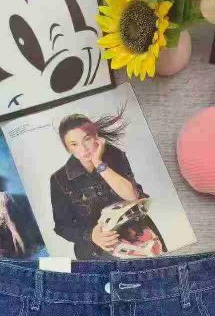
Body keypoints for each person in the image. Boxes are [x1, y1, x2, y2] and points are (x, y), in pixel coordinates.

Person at [50, 108, 148, 259]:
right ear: (67, 148)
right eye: (74, 144)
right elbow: (62, 227)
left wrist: (98, 163)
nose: (83, 149)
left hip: (134, 236)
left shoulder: (115, 156)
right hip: (95, 251)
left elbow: (131, 196)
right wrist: (92, 235)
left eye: (87, 139)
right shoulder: (59, 179)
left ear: (96, 137)